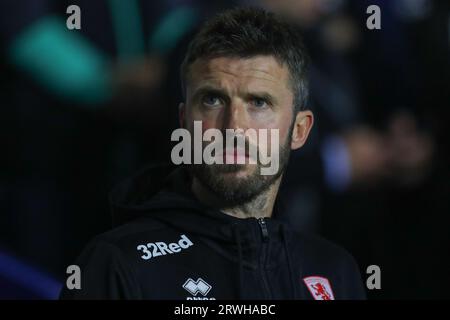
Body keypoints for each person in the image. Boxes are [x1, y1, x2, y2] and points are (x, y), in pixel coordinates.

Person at [60, 7, 366, 300]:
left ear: (299, 130)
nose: (233, 126)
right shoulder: (118, 265)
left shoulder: (334, 271)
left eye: (258, 103)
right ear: (183, 122)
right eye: (213, 100)